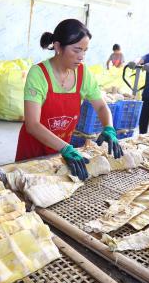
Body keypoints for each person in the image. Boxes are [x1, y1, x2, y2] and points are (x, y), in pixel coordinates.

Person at [16, 19, 122, 179]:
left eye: (85, 51)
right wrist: (66, 148)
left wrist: (109, 127)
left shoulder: (83, 73)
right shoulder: (38, 74)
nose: (81, 57)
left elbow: (100, 106)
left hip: (62, 150)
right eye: (77, 50)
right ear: (58, 47)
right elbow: (32, 124)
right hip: (33, 151)